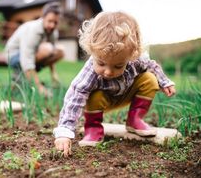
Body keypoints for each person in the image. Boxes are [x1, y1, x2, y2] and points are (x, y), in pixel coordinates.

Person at [53, 11, 176, 157]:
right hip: (101, 102)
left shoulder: (135, 59)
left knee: (149, 79)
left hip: (125, 94)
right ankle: (92, 127)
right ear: (92, 51)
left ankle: (134, 120)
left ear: (131, 55)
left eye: (118, 66)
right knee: (93, 94)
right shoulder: (89, 71)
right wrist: (64, 131)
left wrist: (164, 82)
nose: (108, 72)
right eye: (101, 63)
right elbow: (74, 97)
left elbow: (152, 66)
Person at [4, 2, 64, 96]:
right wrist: (39, 87)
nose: (52, 25)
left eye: (55, 22)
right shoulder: (33, 30)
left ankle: (25, 77)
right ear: (43, 18)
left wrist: (53, 74)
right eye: (50, 21)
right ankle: (21, 77)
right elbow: (27, 60)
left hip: (30, 56)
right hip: (13, 56)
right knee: (47, 49)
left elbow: (52, 54)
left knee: (60, 52)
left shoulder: (53, 32)